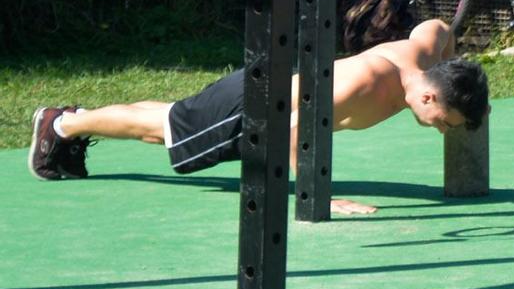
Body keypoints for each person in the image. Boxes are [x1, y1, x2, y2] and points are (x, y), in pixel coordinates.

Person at [28, 19, 489, 216]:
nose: (441, 130)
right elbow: (294, 133)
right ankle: (61, 125)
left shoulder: (427, 53)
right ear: (428, 98)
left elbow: (439, 31)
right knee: (158, 131)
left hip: (269, 88)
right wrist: (317, 199)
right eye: (444, 122)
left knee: (168, 118)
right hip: (252, 108)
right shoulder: (365, 85)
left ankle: (72, 121)